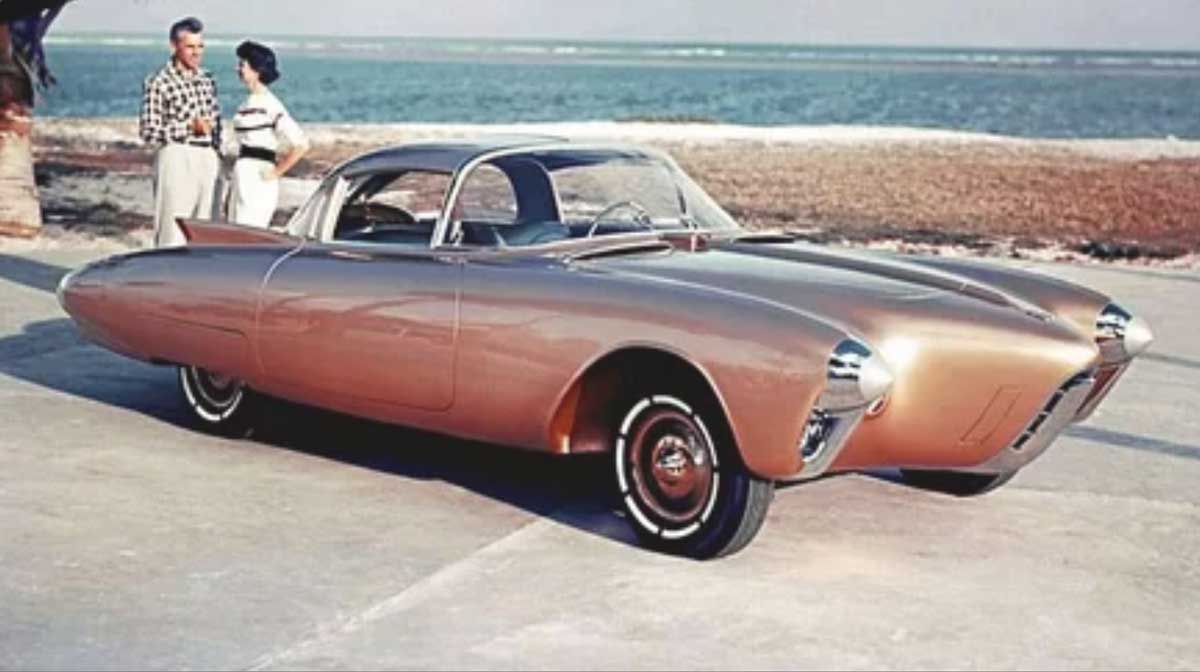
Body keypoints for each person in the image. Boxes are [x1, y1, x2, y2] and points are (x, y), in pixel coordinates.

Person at [139, 16, 221, 247]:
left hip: (207, 155)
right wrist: (187, 127)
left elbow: (216, 122)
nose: (196, 53)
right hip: (177, 155)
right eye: (190, 47)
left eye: (200, 46)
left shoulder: (207, 79)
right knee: (173, 226)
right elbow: (149, 130)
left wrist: (216, 152)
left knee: (207, 226)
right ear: (174, 46)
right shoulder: (159, 81)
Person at [227, 40, 309, 228]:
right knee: (236, 227)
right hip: (242, 173)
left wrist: (276, 172)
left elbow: (301, 144)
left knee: (248, 229)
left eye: (242, 65)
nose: (238, 69)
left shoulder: (270, 105)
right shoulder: (247, 103)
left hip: (258, 176)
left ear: (256, 70)